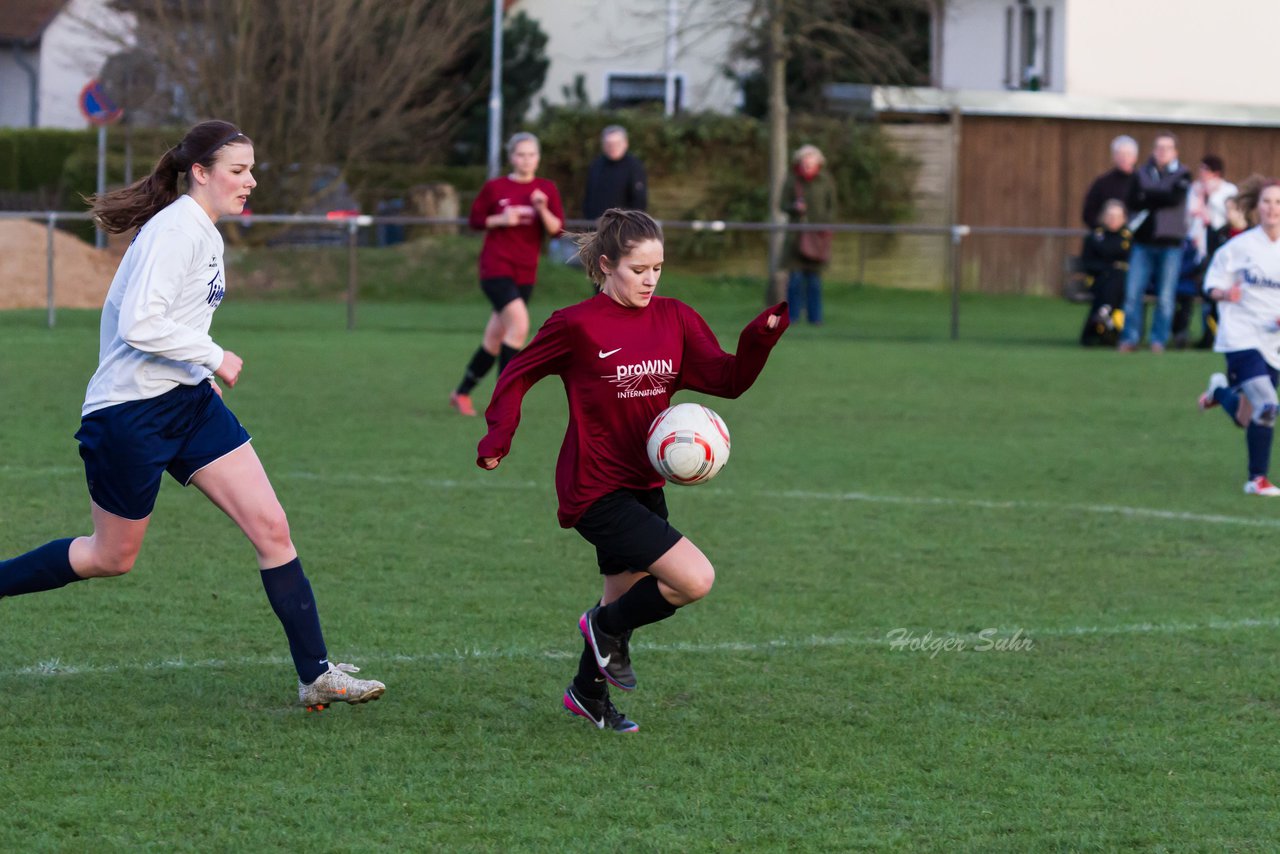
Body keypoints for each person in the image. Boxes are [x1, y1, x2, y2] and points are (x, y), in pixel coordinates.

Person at [0, 120, 385, 711]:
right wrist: (214, 356)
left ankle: (316, 673)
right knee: (112, 557)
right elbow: (139, 324)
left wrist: (199, 374)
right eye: (238, 170)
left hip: (188, 403)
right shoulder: (176, 230)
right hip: (130, 415)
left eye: (252, 169)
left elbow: (159, 322)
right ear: (200, 173)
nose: (250, 181)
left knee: (271, 527)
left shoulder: (203, 230)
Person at [475, 209, 789, 732]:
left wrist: (759, 338)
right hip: (594, 487)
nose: (650, 280)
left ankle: (586, 694)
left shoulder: (675, 318)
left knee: (622, 601)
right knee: (693, 580)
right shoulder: (576, 325)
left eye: (658, 269)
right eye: (638, 269)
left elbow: (728, 379)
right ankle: (599, 627)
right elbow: (518, 372)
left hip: (644, 482)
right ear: (606, 265)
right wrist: (498, 434)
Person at [449, 132, 564, 417]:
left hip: (525, 273)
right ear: (511, 157)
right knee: (520, 327)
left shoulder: (545, 189)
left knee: (494, 339)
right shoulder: (495, 187)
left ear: (538, 158)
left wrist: (541, 208)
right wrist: (500, 219)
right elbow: (474, 221)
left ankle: (461, 393)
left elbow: (556, 229)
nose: (526, 160)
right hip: (495, 268)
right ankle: (504, 402)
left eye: (531, 155)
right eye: (520, 154)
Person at [1196, 180, 1280, 496]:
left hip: (1274, 343)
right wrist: (1224, 293)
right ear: (1256, 207)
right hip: (1241, 336)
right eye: (1267, 201)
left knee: (1249, 418)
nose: (1273, 207)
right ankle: (1257, 479)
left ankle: (1219, 391)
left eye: (1278, 202)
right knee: (1269, 406)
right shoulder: (1239, 247)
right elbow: (1210, 286)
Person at [1118, 132, 1192, 352]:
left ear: (1175, 152)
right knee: (1133, 293)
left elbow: (1174, 198)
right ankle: (1130, 338)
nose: (1162, 152)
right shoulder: (1140, 173)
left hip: (1170, 244)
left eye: (1167, 148)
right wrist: (1158, 195)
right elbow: (1132, 199)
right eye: (1158, 147)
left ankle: (1157, 340)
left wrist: (1147, 195)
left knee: (1165, 297)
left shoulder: (1183, 174)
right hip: (1143, 242)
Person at [781, 144, 836, 326]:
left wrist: (824, 225)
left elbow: (832, 207)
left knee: (814, 281)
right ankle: (792, 318)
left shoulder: (825, 181)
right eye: (804, 162)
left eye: (810, 163)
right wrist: (794, 208)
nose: (807, 166)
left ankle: (815, 318)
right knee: (795, 280)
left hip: (818, 238)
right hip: (796, 238)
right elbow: (782, 204)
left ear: (818, 163)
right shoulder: (792, 180)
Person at [1079, 199, 1130, 346]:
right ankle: (1108, 318)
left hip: (1122, 282)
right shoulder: (1095, 237)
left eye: (1117, 217)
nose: (1113, 220)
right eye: (1110, 216)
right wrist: (1109, 268)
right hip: (1099, 280)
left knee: (1119, 277)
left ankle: (1101, 317)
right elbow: (1087, 262)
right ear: (1104, 217)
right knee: (1114, 277)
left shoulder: (1128, 237)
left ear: (1124, 218)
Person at [582, 125, 648, 221]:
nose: (613, 147)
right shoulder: (596, 165)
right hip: (596, 226)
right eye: (609, 144)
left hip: (624, 227)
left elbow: (639, 201)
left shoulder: (634, 167)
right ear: (603, 145)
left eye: (617, 144)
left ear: (625, 143)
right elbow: (589, 197)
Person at [1187, 154, 1238, 264]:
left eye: (1206, 169)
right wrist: (1200, 194)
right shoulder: (1196, 187)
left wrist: (1211, 195)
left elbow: (1228, 213)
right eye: (1200, 168)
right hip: (1198, 237)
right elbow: (1190, 211)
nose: (1202, 172)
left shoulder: (1228, 189)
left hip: (1220, 235)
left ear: (1216, 173)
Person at [1081, 135, 1139, 229]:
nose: (1124, 158)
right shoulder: (1102, 183)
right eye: (1120, 154)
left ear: (1135, 157)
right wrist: (1102, 230)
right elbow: (1089, 213)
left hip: (1135, 239)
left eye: (1128, 154)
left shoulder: (1142, 183)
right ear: (1113, 157)